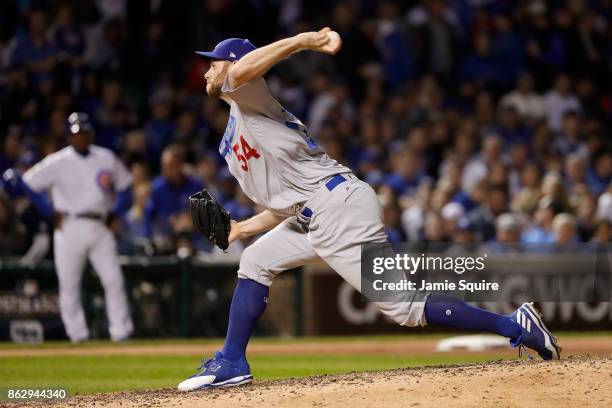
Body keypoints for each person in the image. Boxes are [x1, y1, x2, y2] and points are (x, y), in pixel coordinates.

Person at [177, 29, 560, 392]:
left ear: (235, 63)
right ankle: (231, 362)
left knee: (405, 308)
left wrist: (303, 40)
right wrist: (241, 230)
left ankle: (514, 325)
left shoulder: (250, 93)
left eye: (216, 61)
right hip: (318, 210)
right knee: (256, 259)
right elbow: (289, 203)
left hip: (338, 209)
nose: (208, 69)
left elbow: (245, 68)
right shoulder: (242, 121)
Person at [5, 112, 133, 343]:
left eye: (84, 132)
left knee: (113, 279)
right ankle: (77, 335)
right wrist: (47, 211)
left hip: (100, 224)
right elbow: (28, 184)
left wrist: (116, 213)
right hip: (69, 225)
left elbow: (126, 187)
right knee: (69, 285)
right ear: (69, 136)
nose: (81, 137)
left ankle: (120, 332)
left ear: (91, 134)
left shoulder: (105, 157)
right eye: (77, 133)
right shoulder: (57, 161)